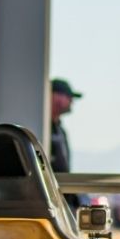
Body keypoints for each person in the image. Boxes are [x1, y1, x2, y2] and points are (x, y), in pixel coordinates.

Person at [49, 78, 83, 208]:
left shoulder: (59, 130)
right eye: (68, 97)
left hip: (61, 199)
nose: (71, 102)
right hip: (50, 198)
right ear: (54, 96)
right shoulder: (42, 129)